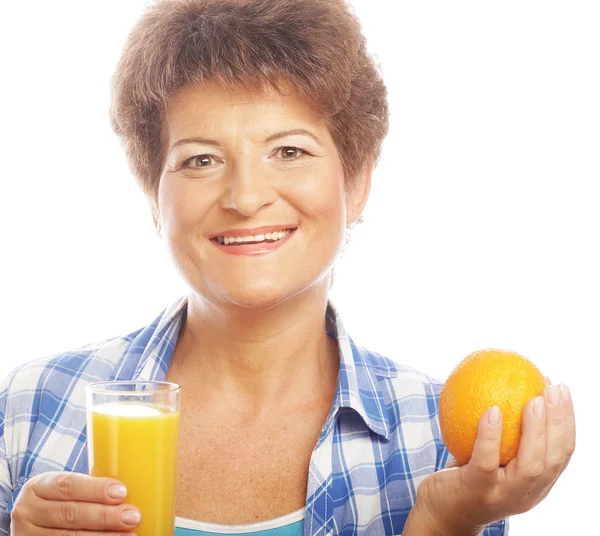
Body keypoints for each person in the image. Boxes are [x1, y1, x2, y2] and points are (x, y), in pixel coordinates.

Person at [0, 0, 576, 534]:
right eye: (201, 159)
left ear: (357, 182)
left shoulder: (444, 443)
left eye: (290, 151)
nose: (246, 197)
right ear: (153, 195)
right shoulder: (32, 406)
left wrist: (441, 521)